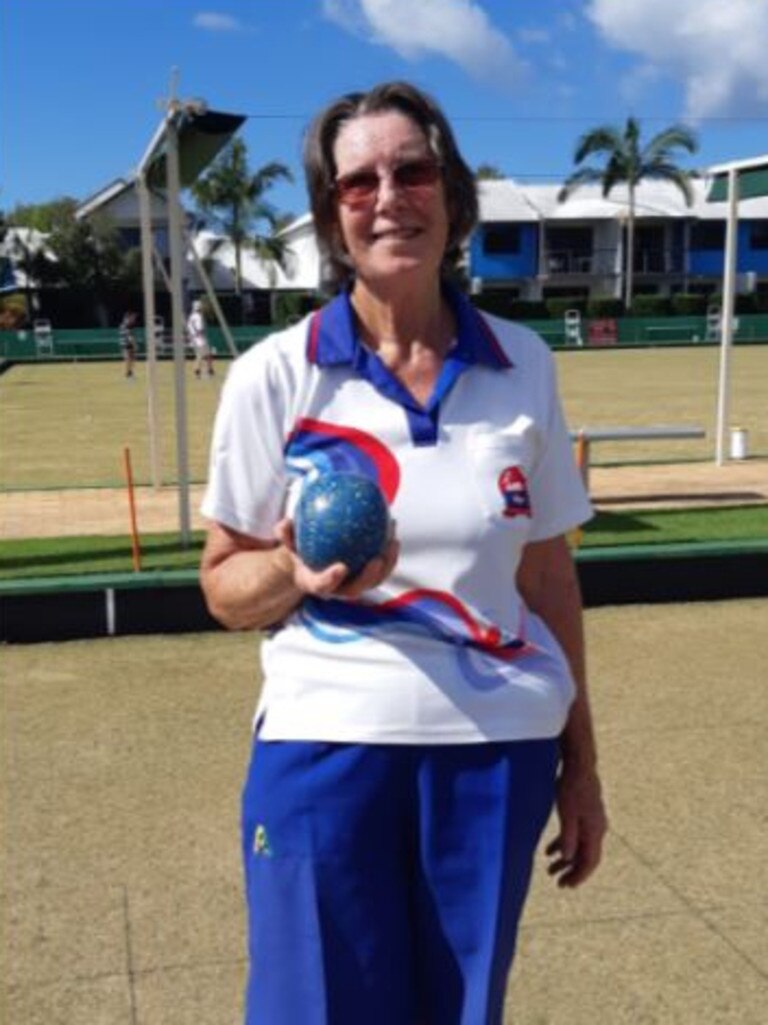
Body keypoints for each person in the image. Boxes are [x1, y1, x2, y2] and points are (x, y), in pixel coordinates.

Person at [200, 80, 607, 1025]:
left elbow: (548, 577)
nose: (389, 197)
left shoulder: (523, 363)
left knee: (462, 1011)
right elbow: (224, 585)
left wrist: (580, 768)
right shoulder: (276, 373)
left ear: (452, 194)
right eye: (358, 183)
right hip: (325, 749)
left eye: (413, 170)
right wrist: (291, 574)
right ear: (331, 216)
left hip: (496, 753)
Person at [187, 298, 214, 377]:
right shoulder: (198, 316)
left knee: (202, 354)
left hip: (194, 338)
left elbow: (189, 327)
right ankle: (200, 370)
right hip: (200, 338)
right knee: (205, 354)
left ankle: (208, 370)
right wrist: (202, 336)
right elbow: (200, 329)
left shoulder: (191, 316)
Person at [118, 310, 138, 378]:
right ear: (129, 317)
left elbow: (129, 335)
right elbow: (129, 336)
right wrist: (134, 344)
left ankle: (129, 373)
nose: (134, 319)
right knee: (129, 359)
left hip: (126, 344)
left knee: (130, 359)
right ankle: (129, 373)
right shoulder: (127, 324)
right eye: (133, 317)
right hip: (126, 344)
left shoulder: (126, 324)